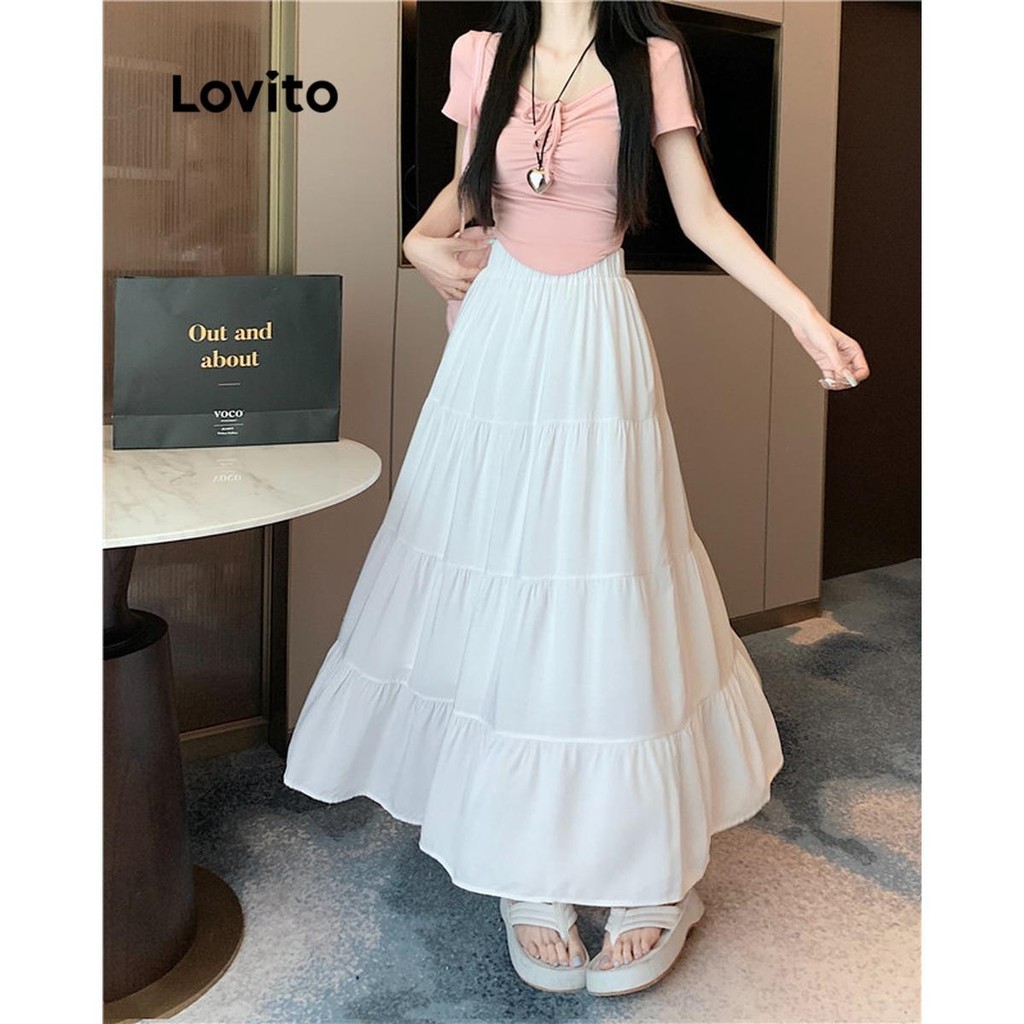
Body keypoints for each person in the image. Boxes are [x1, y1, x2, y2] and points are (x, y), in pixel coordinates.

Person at [284, 0, 869, 998]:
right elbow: (462, 209)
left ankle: (654, 878)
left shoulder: (650, 60)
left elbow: (702, 215)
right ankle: (529, 866)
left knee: (606, 588)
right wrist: (420, 245)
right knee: (504, 585)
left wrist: (803, 315)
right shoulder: (479, 53)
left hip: (594, 337)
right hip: (496, 349)